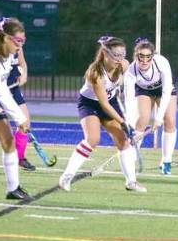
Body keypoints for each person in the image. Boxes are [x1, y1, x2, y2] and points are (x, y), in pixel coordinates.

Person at [59, 36, 146, 192]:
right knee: (92, 139)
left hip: (110, 102)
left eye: (122, 55)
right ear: (106, 54)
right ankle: (66, 176)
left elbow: (128, 89)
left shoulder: (124, 65)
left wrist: (128, 119)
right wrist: (122, 121)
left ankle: (131, 182)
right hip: (90, 104)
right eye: (116, 55)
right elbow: (103, 104)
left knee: (122, 140)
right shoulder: (96, 73)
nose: (120, 59)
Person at [124, 37, 178, 174]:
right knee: (142, 119)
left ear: (153, 56)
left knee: (169, 120)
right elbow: (129, 101)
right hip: (144, 90)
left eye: (148, 56)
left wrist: (159, 118)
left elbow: (166, 92)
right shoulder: (131, 71)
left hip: (163, 89)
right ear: (136, 55)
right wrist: (129, 124)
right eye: (141, 56)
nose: (144, 60)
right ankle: (132, 157)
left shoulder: (162, 63)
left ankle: (166, 160)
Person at [0, 17, 32, 200]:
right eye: (18, 41)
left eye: (22, 41)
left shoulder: (8, 56)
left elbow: (1, 88)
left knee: (8, 140)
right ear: (6, 38)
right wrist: (20, 118)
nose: (20, 46)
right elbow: (0, 91)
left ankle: (13, 188)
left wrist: (19, 117)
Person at [8, 48, 36, 171]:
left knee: (25, 123)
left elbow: (22, 63)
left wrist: (23, 75)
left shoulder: (17, 47)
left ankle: (19, 158)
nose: (20, 41)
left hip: (13, 89)